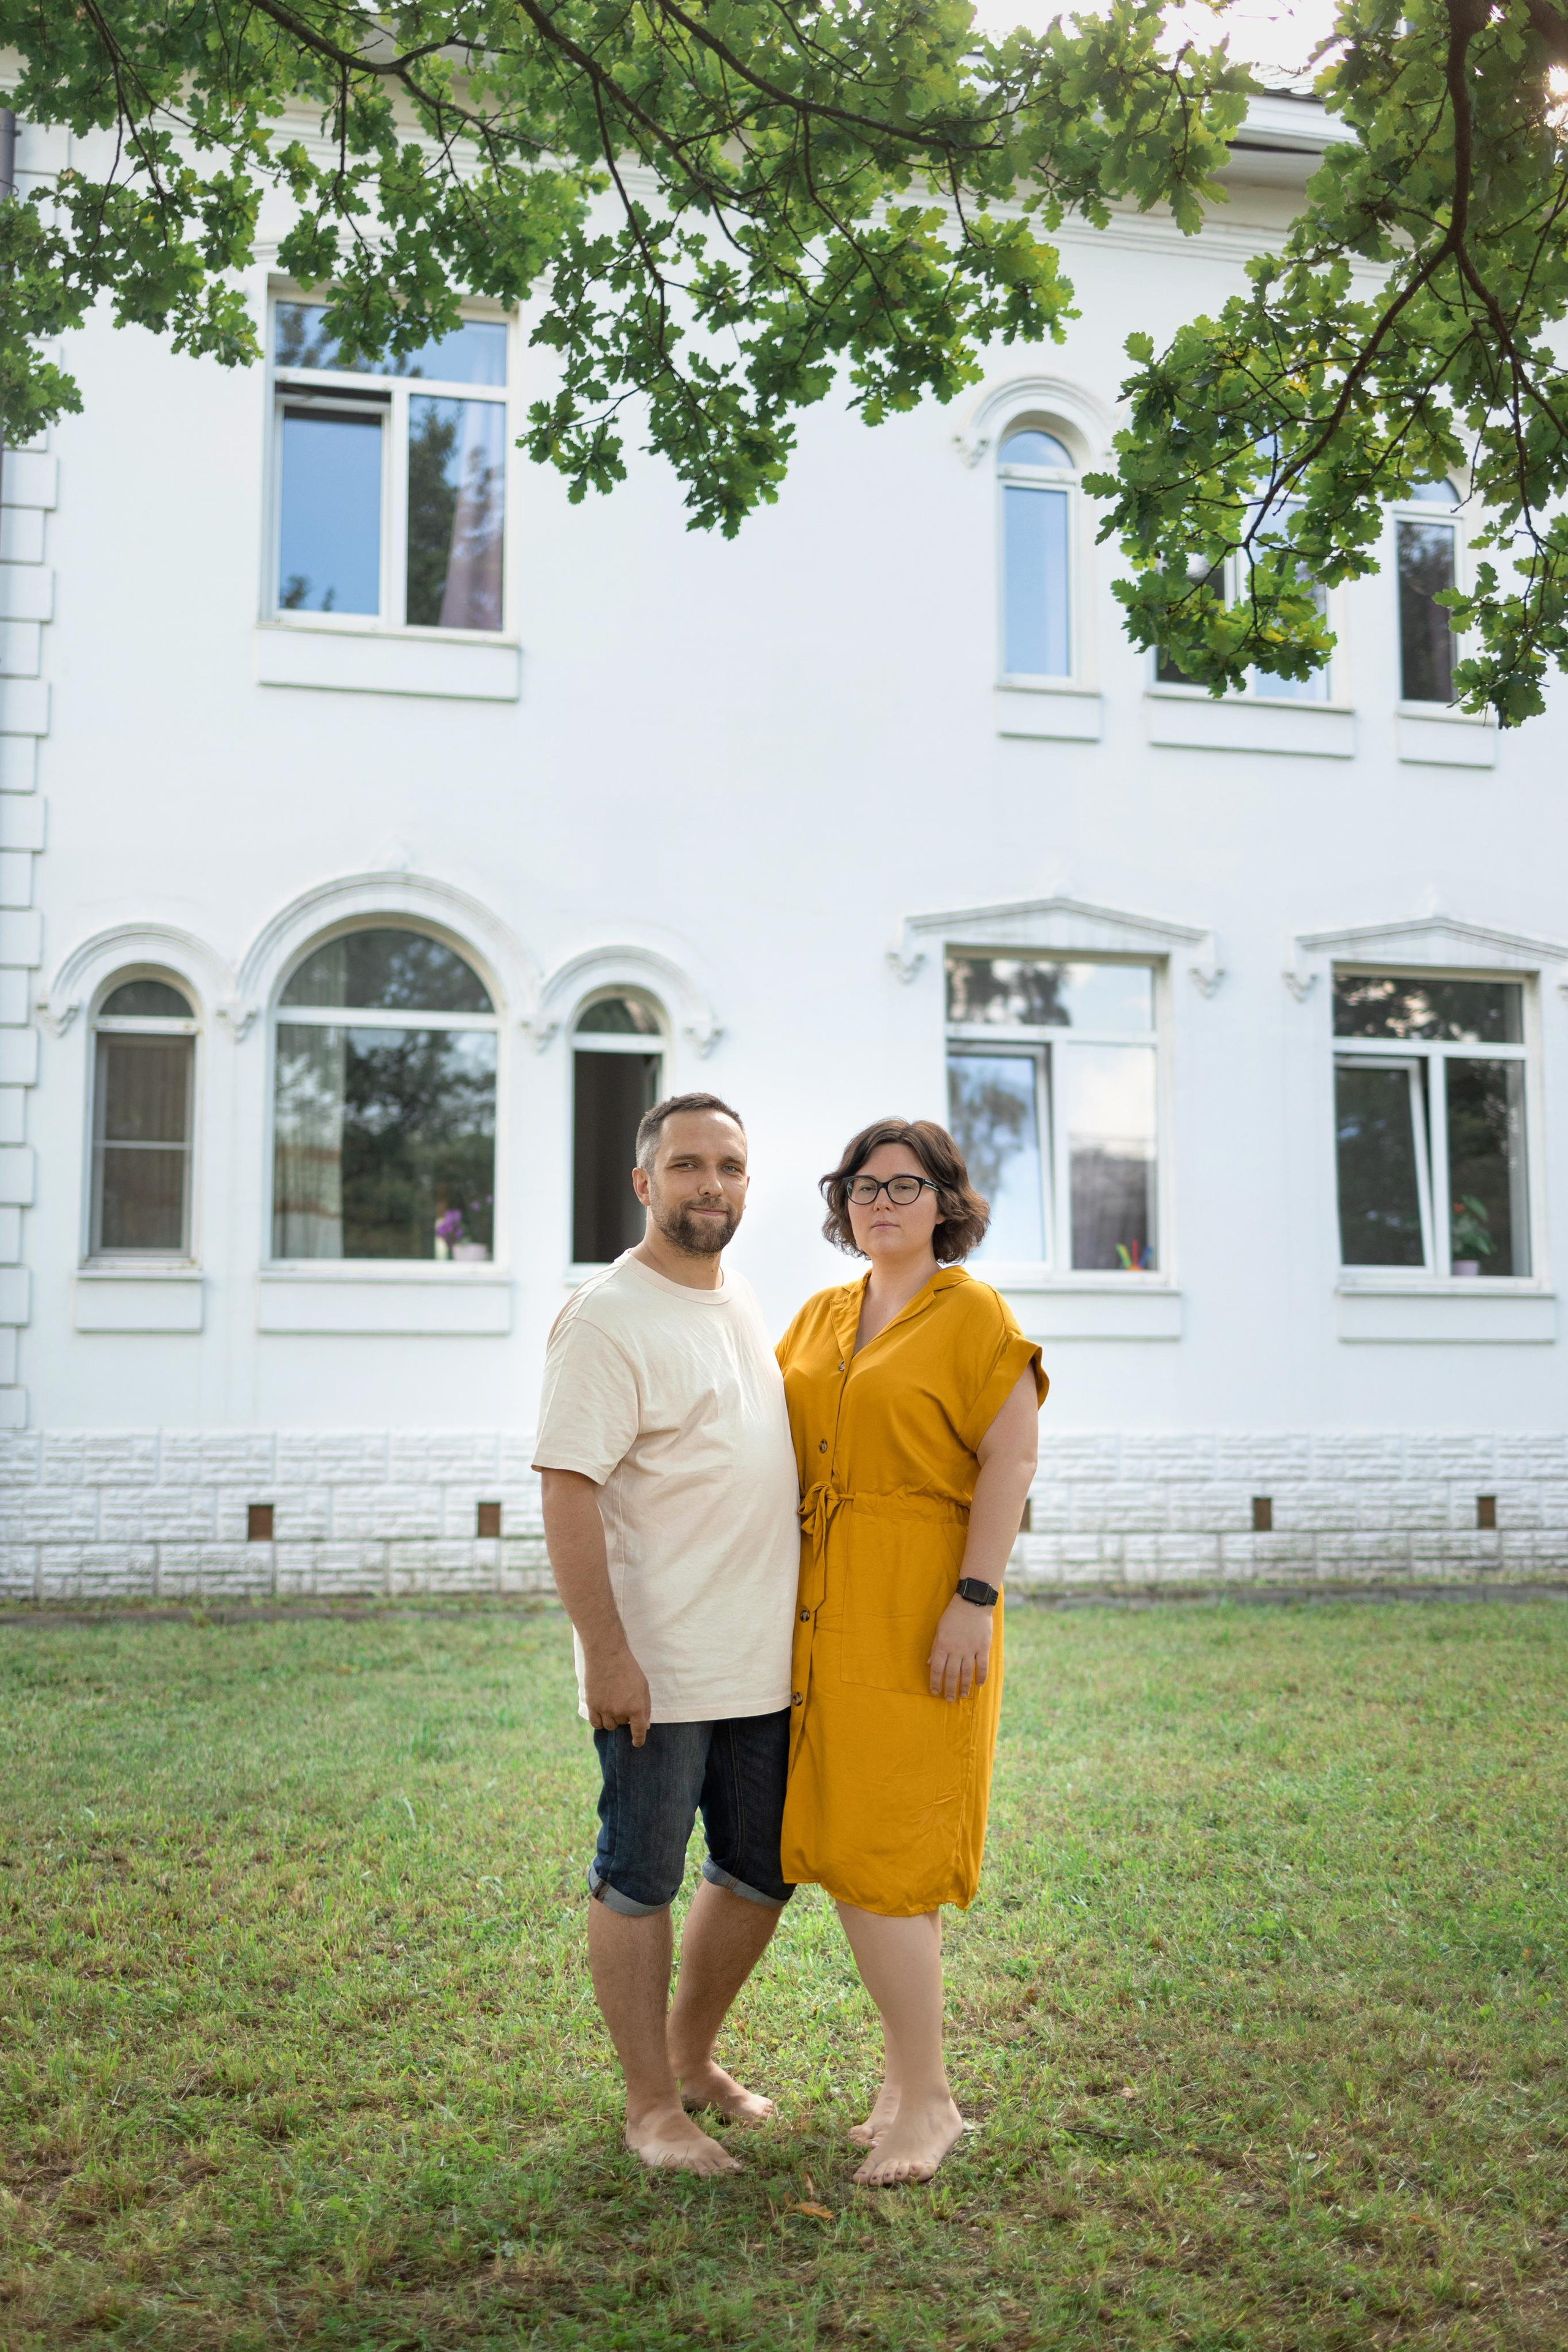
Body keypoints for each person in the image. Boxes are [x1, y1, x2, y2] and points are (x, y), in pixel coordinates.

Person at [533, 1092, 801, 2174]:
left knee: (760, 1867)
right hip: (661, 1666)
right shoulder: (606, 1316)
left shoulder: (737, 1299)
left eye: (730, 1167)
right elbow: (566, 1490)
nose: (711, 1186)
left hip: (759, 1663)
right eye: (689, 1166)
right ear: (645, 1183)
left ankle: (692, 2063)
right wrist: (606, 1651)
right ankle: (651, 2110)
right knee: (640, 1875)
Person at [777, 1117, 1047, 2186]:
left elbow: (1011, 1456)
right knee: (856, 1840)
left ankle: (930, 2100)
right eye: (861, 1184)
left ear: (946, 1202)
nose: (880, 1200)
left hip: (919, 1598)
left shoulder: (971, 1311)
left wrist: (973, 1598)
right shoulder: (818, 1315)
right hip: (820, 1602)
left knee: (890, 1849)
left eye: (905, 1184)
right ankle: (900, 2080)